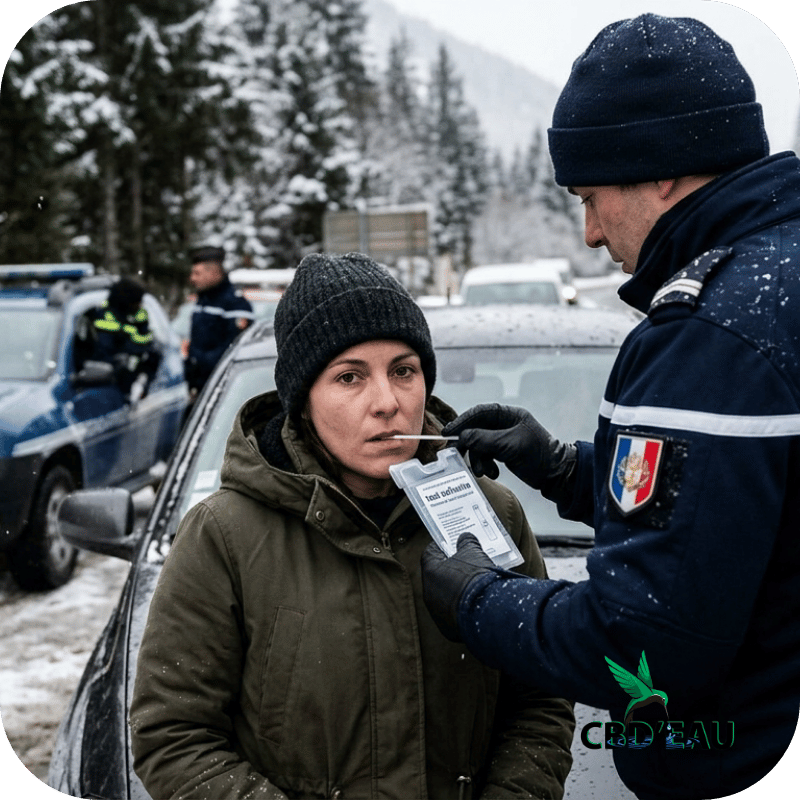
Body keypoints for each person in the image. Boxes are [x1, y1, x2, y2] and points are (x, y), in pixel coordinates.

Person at [420, 14, 800, 800]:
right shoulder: (778, 276)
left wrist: (477, 599)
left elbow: (644, 643)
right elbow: (730, 508)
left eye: (591, 198)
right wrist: (566, 470)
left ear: (660, 170)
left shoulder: (711, 332)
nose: (590, 234)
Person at [129, 252, 575, 800]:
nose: (387, 403)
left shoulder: (493, 514)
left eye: (403, 371)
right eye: (349, 377)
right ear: (303, 401)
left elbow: (540, 702)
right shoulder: (223, 536)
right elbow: (173, 736)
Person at [183, 244, 254, 398]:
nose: (192, 278)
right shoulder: (203, 300)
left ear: (213, 273)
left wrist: (201, 363)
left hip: (224, 389)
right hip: (201, 387)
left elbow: (233, 350)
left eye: (197, 273)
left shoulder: (235, 303)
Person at [89, 276, 160, 404]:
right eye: (136, 301)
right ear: (127, 300)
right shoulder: (103, 315)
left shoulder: (139, 315)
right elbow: (104, 351)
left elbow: (147, 341)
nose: (139, 305)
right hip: (109, 384)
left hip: (134, 378)